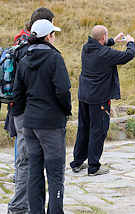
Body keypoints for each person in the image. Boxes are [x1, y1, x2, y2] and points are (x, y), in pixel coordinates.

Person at [13, 19, 71, 214]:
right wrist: (65, 111)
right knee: (55, 174)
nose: (54, 37)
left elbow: (17, 94)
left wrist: (22, 118)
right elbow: (63, 90)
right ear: (48, 37)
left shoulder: (24, 59)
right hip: (51, 124)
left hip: (30, 123)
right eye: (53, 34)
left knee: (34, 172)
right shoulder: (55, 59)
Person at [70, 25, 135, 176]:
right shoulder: (105, 54)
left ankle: (77, 162)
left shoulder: (86, 47)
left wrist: (113, 40)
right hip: (99, 98)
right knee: (98, 131)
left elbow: (99, 45)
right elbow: (128, 56)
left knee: (84, 128)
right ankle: (93, 167)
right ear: (103, 37)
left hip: (84, 96)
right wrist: (130, 43)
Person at [7, 7, 55, 214]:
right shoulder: (30, 49)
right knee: (27, 161)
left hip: (18, 110)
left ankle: (24, 204)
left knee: (24, 159)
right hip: (29, 113)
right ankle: (18, 207)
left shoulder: (20, 42)